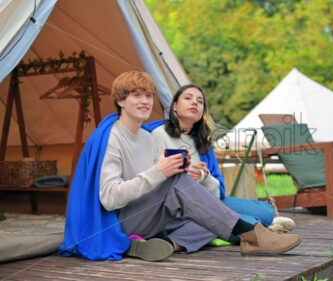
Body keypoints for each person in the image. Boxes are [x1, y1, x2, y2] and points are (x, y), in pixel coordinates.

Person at [59, 71, 301, 262]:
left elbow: (157, 188)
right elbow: (110, 199)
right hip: (118, 222)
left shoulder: (144, 136)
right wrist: (161, 172)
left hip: (148, 217)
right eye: (136, 95)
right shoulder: (112, 137)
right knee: (197, 199)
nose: (144, 102)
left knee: (208, 214)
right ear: (121, 100)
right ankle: (252, 236)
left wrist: (179, 175)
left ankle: (161, 244)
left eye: (148, 96)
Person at [148, 84, 275, 243]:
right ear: (174, 106)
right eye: (188, 98)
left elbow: (217, 195)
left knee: (266, 212)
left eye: (200, 101)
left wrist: (204, 177)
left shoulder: (202, 143)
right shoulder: (159, 135)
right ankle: (253, 231)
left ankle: (241, 229)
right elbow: (157, 183)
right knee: (249, 223)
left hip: (210, 200)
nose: (195, 103)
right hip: (181, 206)